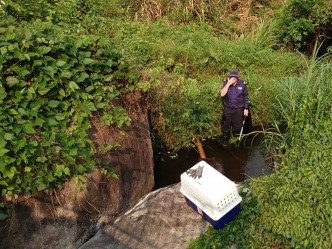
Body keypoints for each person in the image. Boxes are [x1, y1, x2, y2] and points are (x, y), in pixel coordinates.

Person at [220, 69, 249, 143]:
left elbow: (245, 97)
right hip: (228, 108)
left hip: (238, 108)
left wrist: (246, 108)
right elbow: (222, 94)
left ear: (237, 78)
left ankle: (235, 140)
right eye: (231, 77)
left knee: (237, 126)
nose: (233, 79)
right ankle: (225, 138)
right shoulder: (226, 83)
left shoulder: (242, 84)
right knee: (225, 125)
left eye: (234, 77)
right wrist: (228, 84)